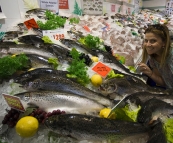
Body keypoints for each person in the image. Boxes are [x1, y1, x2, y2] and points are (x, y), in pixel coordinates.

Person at [138, 24, 173, 89]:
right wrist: (151, 74)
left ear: (164, 42)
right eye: (146, 41)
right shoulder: (153, 58)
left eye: (153, 41)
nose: (148, 44)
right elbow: (165, 83)